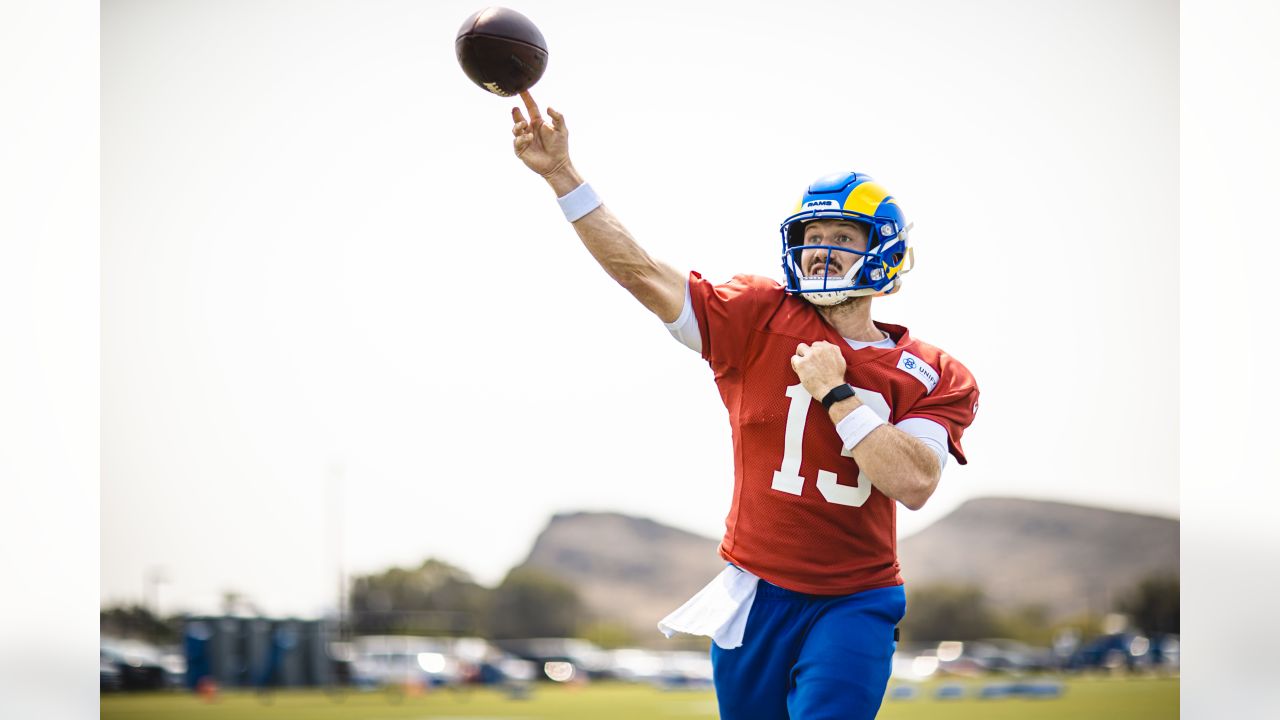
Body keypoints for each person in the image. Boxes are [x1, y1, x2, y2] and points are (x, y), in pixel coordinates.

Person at [509, 91, 979, 720]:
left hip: (855, 597)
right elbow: (641, 272)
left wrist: (838, 396)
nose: (822, 250)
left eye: (843, 235)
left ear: (886, 252)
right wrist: (563, 175)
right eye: (812, 235)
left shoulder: (932, 371)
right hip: (756, 590)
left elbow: (913, 483)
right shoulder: (758, 316)